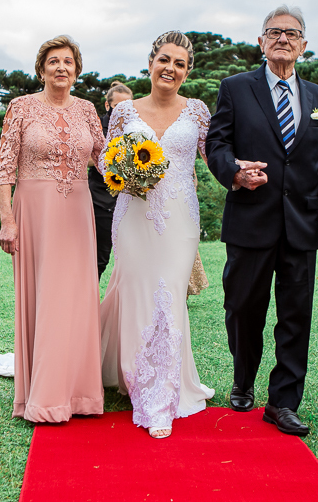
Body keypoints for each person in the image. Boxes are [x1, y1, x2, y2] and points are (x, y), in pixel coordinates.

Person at [206, 5, 318, 436]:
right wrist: (233, 171)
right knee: (243, 308)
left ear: (304, 45)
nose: (283, 38)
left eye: (292, 33)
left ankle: (284, 402)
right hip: (250, 219)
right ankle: (243, 379)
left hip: (301, 224)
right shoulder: (235, 88)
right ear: (261, 42)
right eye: (274, 32)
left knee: (296, 314)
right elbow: (217, 144)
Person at [98, 30, 214, 439]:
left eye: (180, 64)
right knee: (138, 293)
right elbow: (104, 157)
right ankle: (140, 383)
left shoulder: (198, 111)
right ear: (151, 63)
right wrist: (123, 172)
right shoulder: (124, 111)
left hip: (181, 219)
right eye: (165, 59)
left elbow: (213, 157)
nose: (171, 68)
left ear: (187, 72)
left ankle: (165, 389)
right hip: (133, 216)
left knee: (169, 296)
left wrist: (242, 170)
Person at [0, 35, 106, 422]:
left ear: (77, 70)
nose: (62, 67)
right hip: (34, 213)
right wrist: (8, 221)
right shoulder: (20, 107)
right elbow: (4, 168)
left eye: (69, 62)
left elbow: (104, 160)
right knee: (44, 299)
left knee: (76, 297)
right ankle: (42, 398)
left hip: (77, 211)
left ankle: (81, 396)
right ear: (41, 69)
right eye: (54, 61)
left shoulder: (89, 109)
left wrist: (139, 173)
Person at [88, 81, 134, 278]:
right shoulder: (96, 126)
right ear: (108, 106)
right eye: (118, 107)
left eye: (128, 107)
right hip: (102, 199)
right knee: (100, 257)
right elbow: (86, 158)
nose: (123, 112)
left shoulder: (137, 127)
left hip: (132, 200)